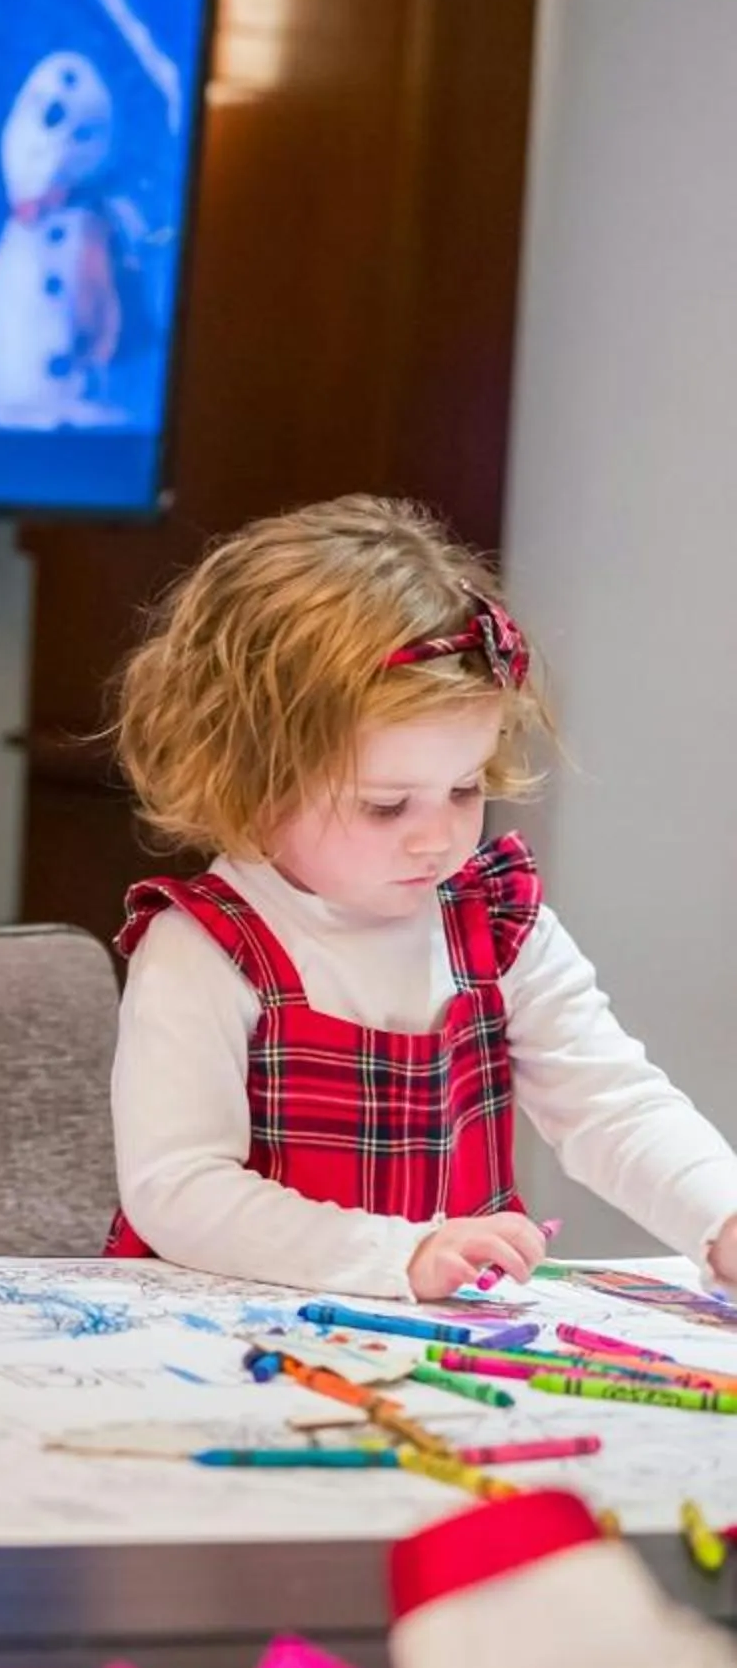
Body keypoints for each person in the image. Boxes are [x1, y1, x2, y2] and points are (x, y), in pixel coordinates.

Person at [106, 495, 737, 1298]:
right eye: (385, 804)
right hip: (226, 1341)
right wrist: (398, 1254)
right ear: (253, 780)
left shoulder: (494, 922)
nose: (437, 838)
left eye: (466, 788)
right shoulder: (206, 948)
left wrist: (721, 1222)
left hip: (448, 1354)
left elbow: (609, 1103)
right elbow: (179, 1190)